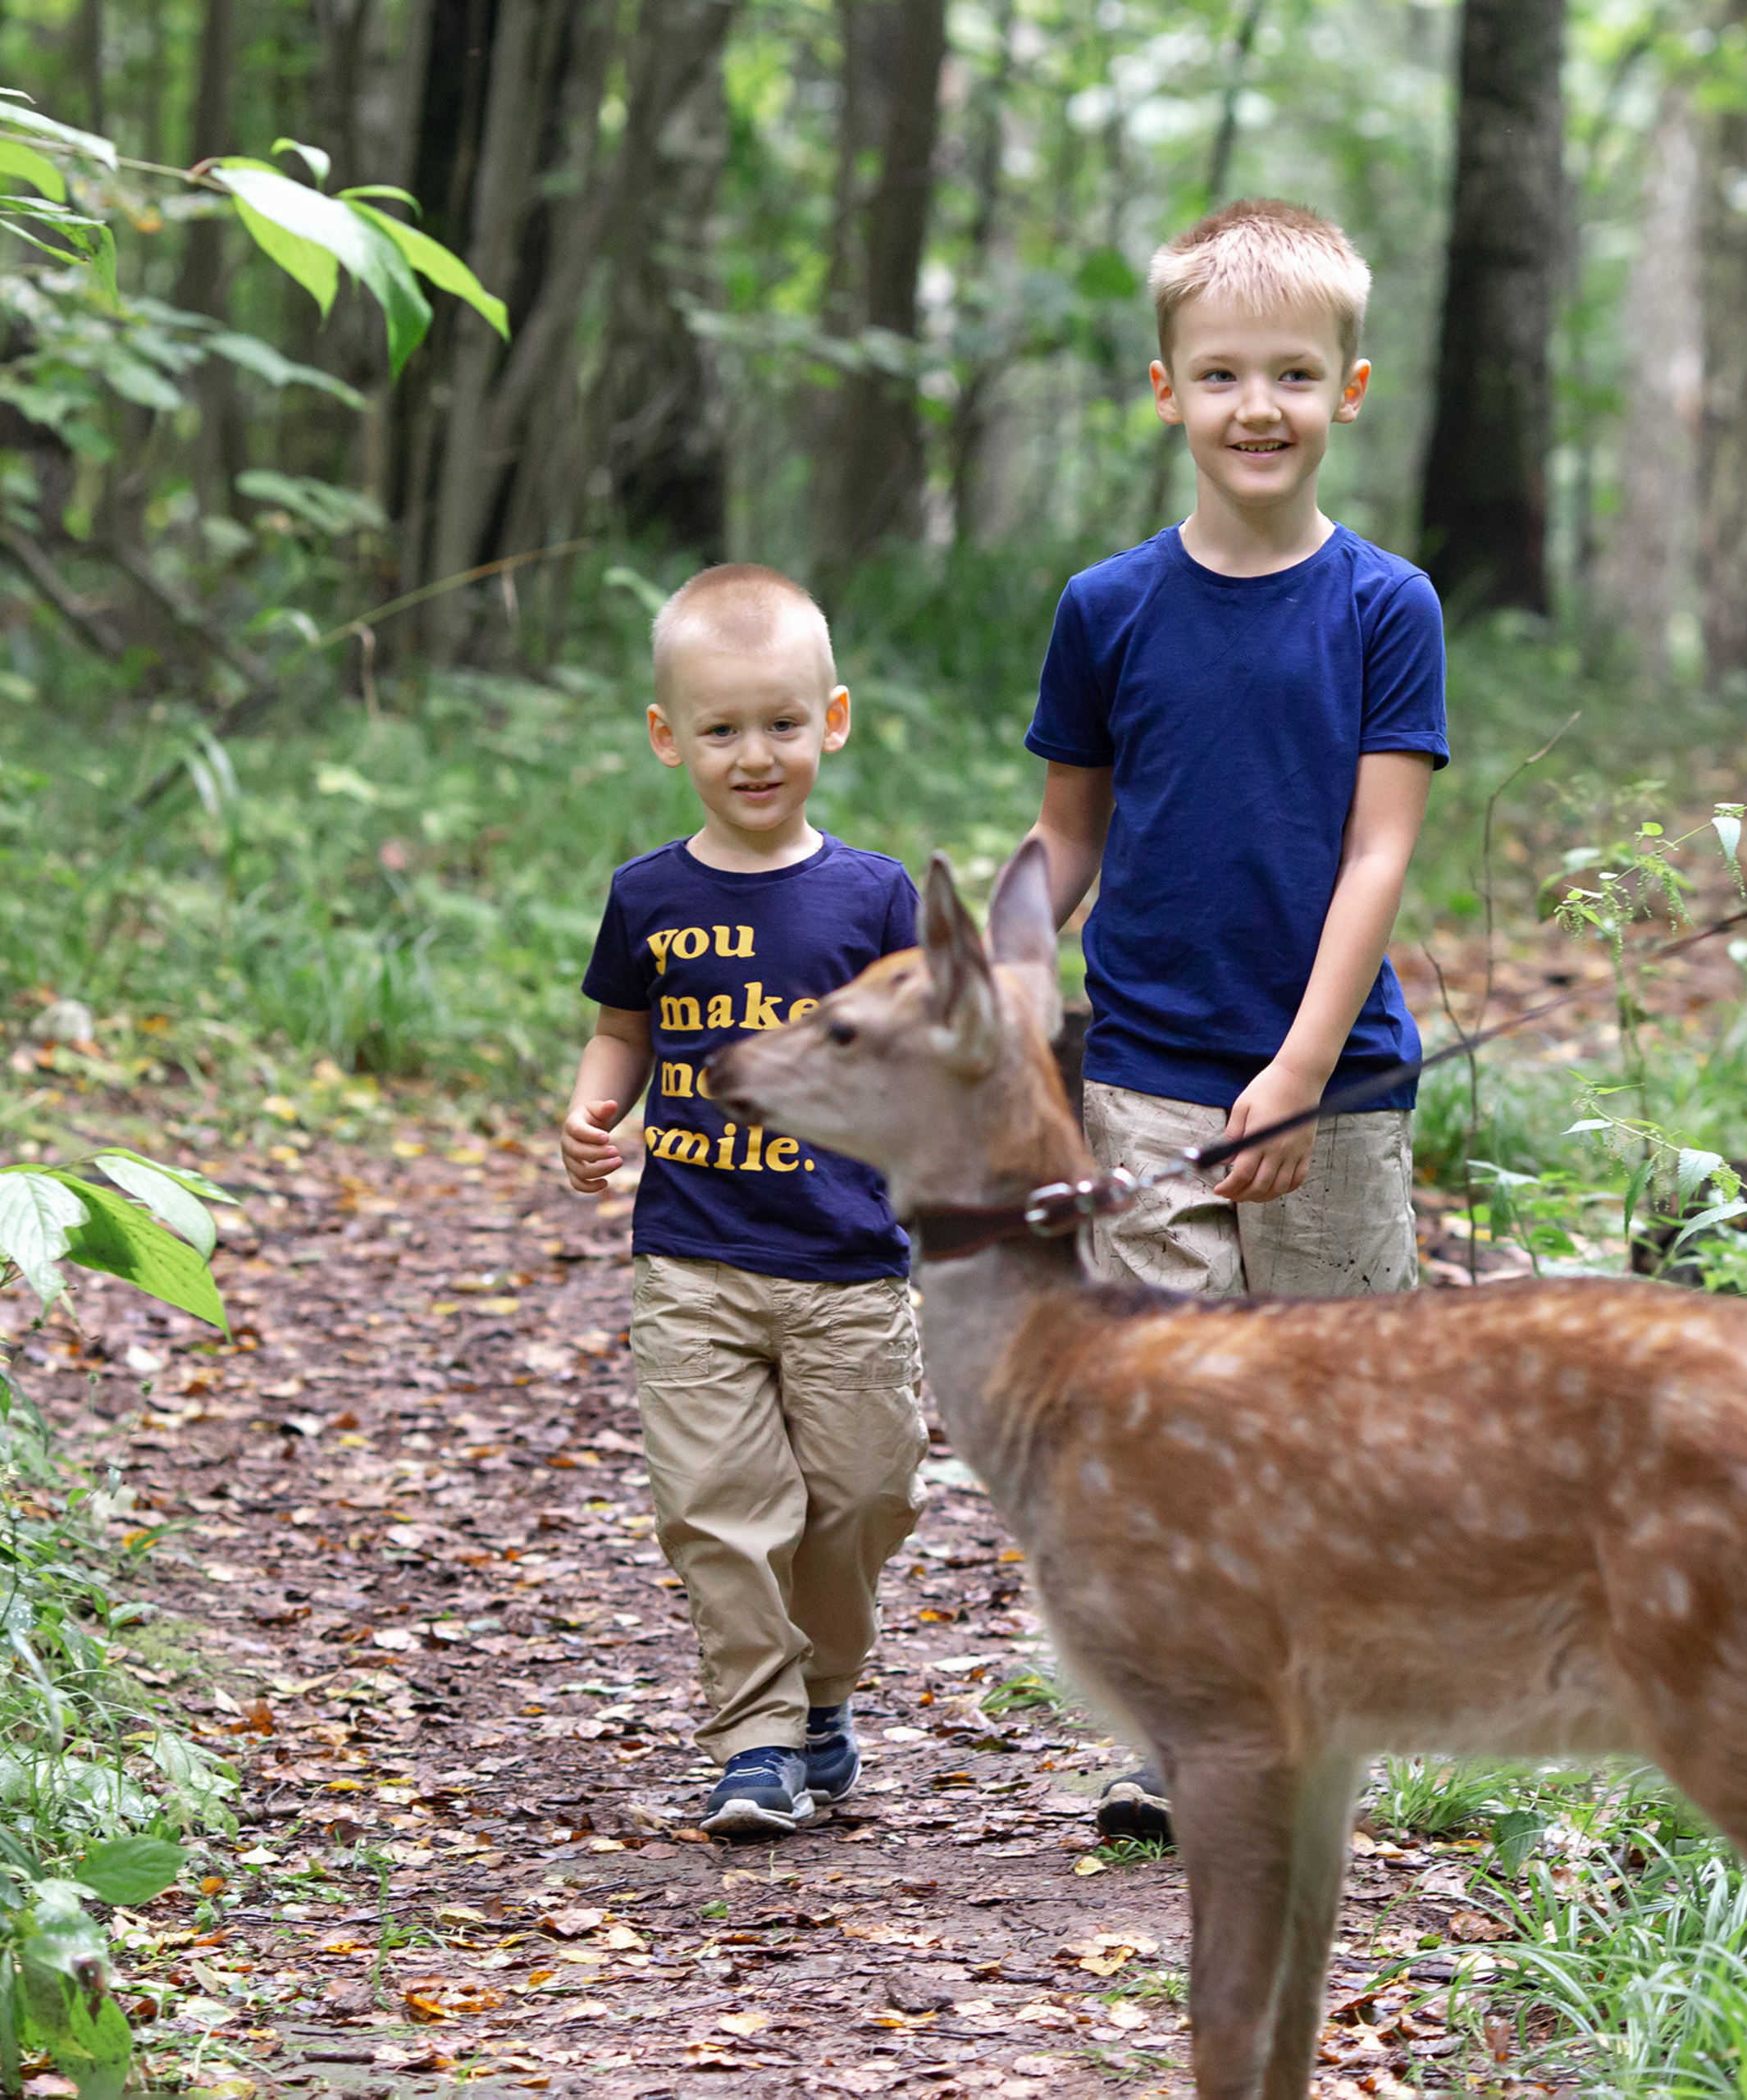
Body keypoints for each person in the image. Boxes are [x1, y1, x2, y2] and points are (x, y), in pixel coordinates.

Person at [1019, 200, 1448, 1844]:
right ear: (1165, 390)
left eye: (1290, 373)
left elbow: (1377, 850)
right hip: (1144, 1075)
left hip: (1331, 1088)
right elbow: (1067, 834)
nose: (1254, 406)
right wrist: (999, 962)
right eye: (1218, 374)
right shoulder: (1106, 606)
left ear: (1349, 388)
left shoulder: (1383, 606)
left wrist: (1298, 1069)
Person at [562, 564, 927, 1838]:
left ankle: (824, 1693)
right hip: (694, 1256)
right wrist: (596, 1106)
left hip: (849, 1260)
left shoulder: (877, 897)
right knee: (717, 1509)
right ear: (670, 737)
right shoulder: (649, 895)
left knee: (868, 1497)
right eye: (721, 729)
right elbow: (623, 1029)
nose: (755, 755)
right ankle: (756, 1739)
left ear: (834, 720)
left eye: (781, 723)